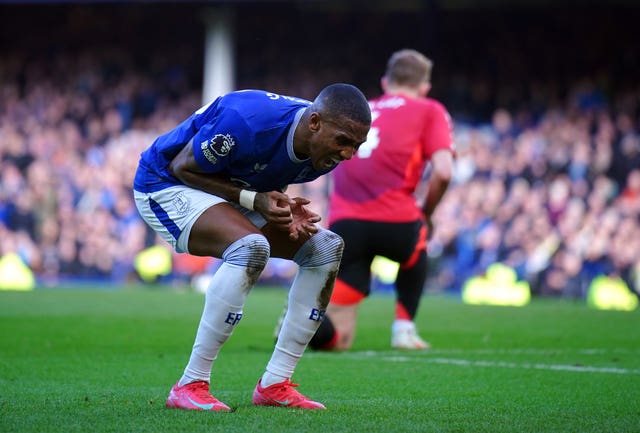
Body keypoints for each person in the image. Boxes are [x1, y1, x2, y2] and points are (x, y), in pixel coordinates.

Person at [133, 83, 371, 411]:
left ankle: (275, 384)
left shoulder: (324, 149)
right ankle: (190, 384)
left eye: (357, 146)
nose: (347, 154)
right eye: (343, 141)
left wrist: (281, 204)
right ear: (314, 123)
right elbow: (183, 168)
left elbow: (263, 173)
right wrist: (254, 200)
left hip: (224, 192)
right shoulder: (248, 120)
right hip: (164, 183)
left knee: (327, 248)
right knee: (251, 247)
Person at [307, 49, 455, 351]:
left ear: (385, 82)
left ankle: (306, 319)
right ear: (424, 87)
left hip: (345, 225)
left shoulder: (362, 109)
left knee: (340, 339)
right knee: (418, 243)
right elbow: (443, 171)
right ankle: (403, 329)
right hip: (396, 223)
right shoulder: (429, 110)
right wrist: (427, 214)